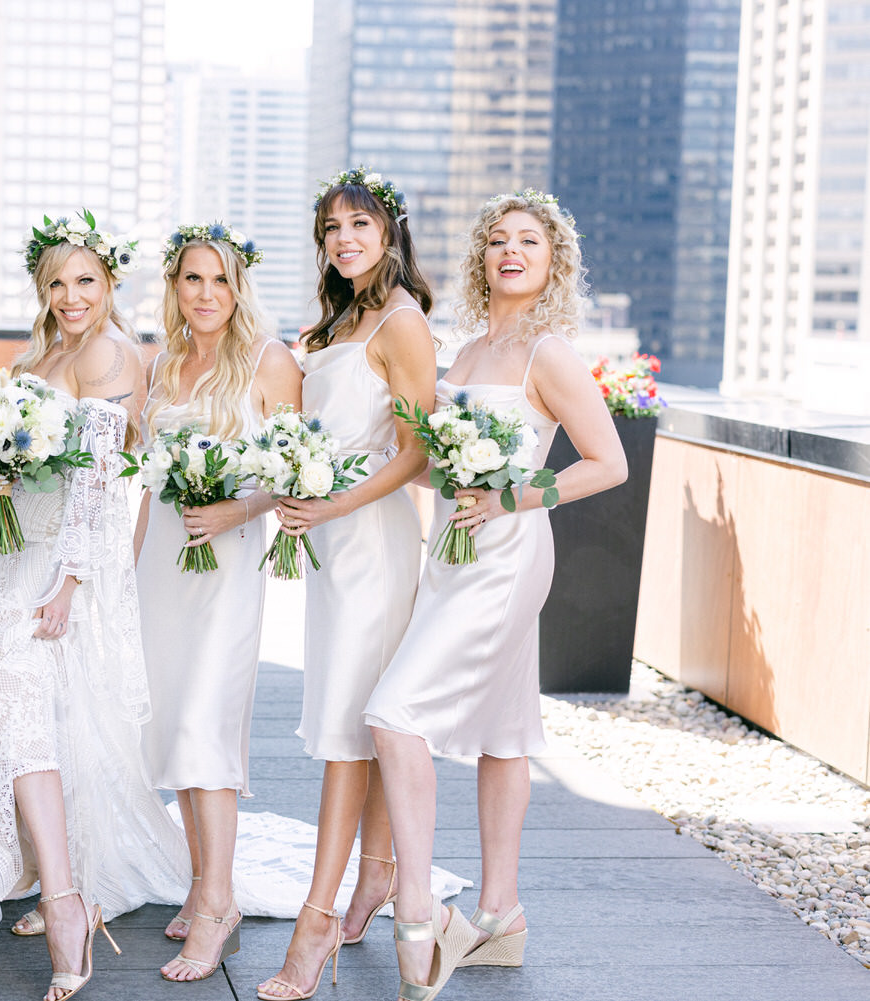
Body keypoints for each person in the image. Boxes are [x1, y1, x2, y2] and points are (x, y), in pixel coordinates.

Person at [365, 189, 627, 1001]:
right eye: (498, 241)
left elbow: (607, 461)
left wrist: (513, 497)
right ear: (482, 257)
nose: (511, 251)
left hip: (507, 553)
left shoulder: (548, 352)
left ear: (554, 262)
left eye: (530, 241)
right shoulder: (470, 349)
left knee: (394, 712)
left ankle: (418, 906)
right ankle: (501, 912)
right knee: (505, 731)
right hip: (452, 553)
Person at [0, 213, 190, 1001]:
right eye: (56, 281)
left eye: (85, 279)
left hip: (66, 566)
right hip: (10, 556)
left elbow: (102, 483)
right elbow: (30, 461)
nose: (70, 295)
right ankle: (44, 872)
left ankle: (67, 902)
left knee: (25, 713)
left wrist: (72, 583)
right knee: (8, 712)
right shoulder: (37, 354)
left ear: (110, 284)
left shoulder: (116, 353)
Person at [257, 168, 438, 1001]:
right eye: (331, 227)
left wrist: (331, 501)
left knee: (341, 730)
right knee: (356, 720)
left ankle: (316, 917)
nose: (343, 239)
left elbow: (416, 453)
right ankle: (375, 874)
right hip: (333, 543)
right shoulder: (338, 319)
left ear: (390, 232)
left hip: (372, 542)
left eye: (358, 224)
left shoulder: (401, 323)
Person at [133, 222, 301, 983]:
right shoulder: (161, 364)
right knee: (172, 724)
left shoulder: (269, 362)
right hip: (163, 567)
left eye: (220, 281)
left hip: (228, 562)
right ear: (174, 287)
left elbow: (298, 471)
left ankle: (217, 906)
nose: (206, 295)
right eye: (192, 280)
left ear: (241, 289)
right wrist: (125, 569)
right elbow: (145, 480)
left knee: (206, 724)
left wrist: (237, 511)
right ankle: (203, 882)